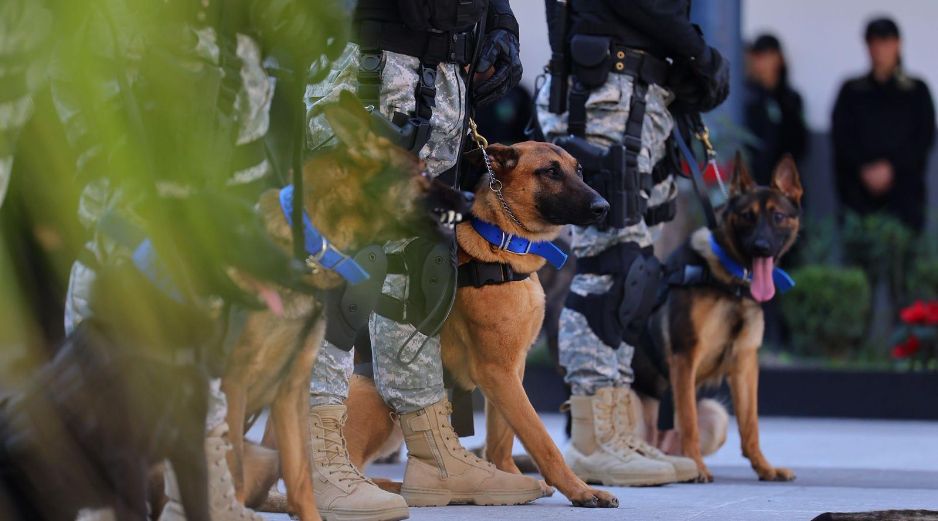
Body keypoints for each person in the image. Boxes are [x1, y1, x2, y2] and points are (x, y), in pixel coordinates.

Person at [53, 2, 346, 520]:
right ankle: (99, 479)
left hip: (221, 165)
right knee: (119, 301)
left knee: (203, 329)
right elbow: (86, 75)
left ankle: (203, 479)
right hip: (140, 170)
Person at [305, 1, 540, 520]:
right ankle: (322, 457)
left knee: (420, 265)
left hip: (444, 76)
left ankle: (433, 455)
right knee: (341, 262)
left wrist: (501, 27)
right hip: (369, 65)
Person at [535, 0, 729, 485]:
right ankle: (592, 438)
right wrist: (698, 54)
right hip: (605, 90)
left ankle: (615, 431)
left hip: (636, 94)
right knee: (613, 268)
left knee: (634, 271)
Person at [832, 17, 936, 234]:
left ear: (897, 44)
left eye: (885, 42)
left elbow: (923, 137)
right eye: (874, 42)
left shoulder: (916, 91)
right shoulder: (852, 91)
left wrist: (892, 169)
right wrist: (865, 169)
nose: (879, 50)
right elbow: (842, 137)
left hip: (904, 194)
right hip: (859, 194)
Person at [744, 34, 808, 186]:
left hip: (784, 181)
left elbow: (800, 143)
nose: (762, 63)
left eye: (767, 56)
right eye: (758, 57)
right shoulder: (747, 98)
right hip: (754, 180)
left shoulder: (791, 99)